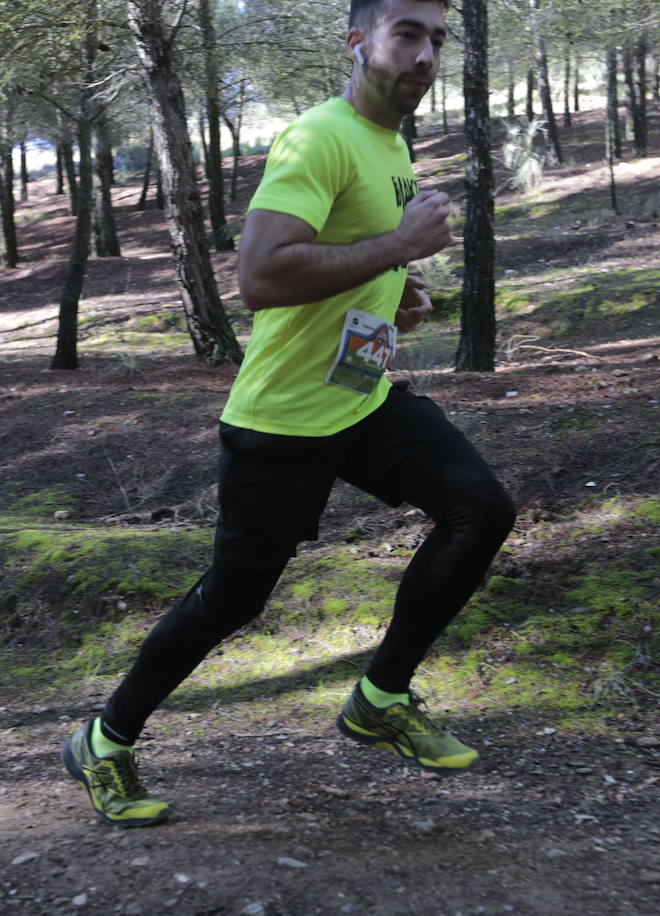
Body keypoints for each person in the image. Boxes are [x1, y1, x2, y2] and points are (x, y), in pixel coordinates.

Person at [62, 0, 515, 827]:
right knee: (234, 599)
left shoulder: (390, 144)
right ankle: (105, 737)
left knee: (480, 509)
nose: (424, 54)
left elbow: (353, 261)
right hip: (281, 421)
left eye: (437, 39)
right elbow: (262, 280)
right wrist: (400, 248)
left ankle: (380, 698)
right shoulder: (319, 136)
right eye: (406, 33)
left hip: (361, 396)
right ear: (359, 41)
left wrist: (397, 294)